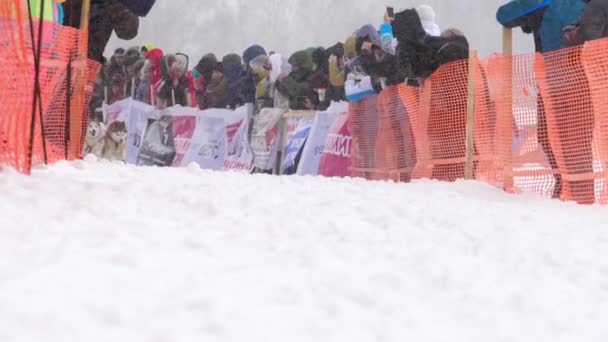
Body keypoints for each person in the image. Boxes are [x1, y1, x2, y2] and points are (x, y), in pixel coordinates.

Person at [497, 0, 593, 203]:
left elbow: (504, 16)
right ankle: (574, 190)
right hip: (585, 79)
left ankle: (574, 193)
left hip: (556, 80)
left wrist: (527, 20)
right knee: (574, 140)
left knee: (558, 138)